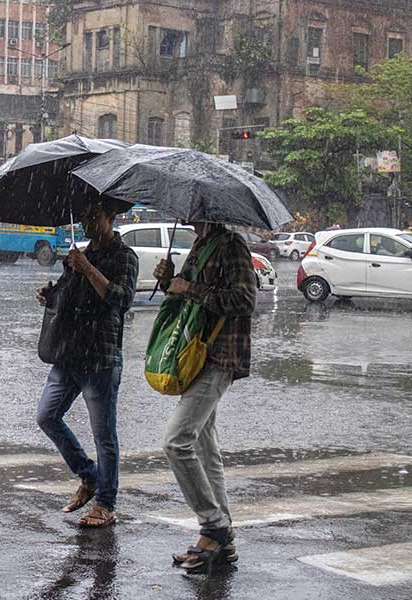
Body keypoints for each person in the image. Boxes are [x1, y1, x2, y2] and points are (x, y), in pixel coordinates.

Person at [152, 221, 257, 572]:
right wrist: (169, 282)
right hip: (196, 354)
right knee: (204, 448)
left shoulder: (232, 246)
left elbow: (245, 299)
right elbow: (183, 296)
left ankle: (214, 526)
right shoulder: (200, 244)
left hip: (220, 355)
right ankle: (222, 545)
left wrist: (190, 288)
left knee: (176, 441)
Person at [35, 200, 138, 528]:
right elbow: (68, 295)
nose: (87, 223)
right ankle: (89, 475)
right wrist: (51, 294)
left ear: (111, 218)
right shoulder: (79, 254)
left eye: (94, 217)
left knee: (103, 435)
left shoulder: (125, 257)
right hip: (68, 353)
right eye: (84, 217)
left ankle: (106, 503)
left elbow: (120, 300)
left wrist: (88, 268)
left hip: (100, 357)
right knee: (47, 416)